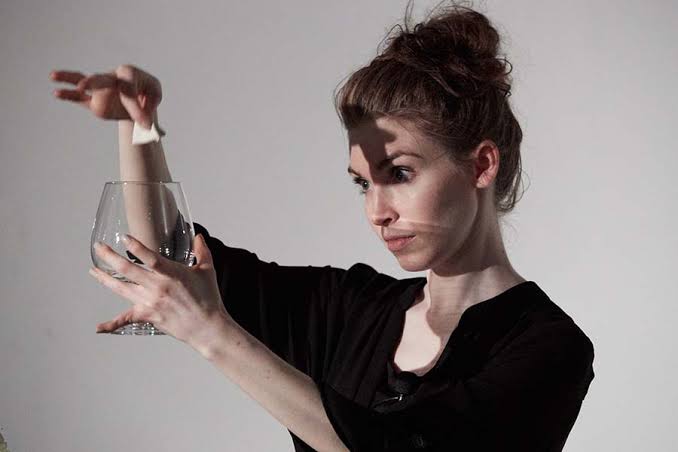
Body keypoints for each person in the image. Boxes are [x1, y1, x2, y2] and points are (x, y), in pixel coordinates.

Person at [50, 1, 595, 450]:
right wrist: (138, 126)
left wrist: (213, 333)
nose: (377, 210)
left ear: (481, 165)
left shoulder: (549, 348)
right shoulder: (348, 309)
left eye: (399, 173)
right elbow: (170, 259)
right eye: (363, 183)